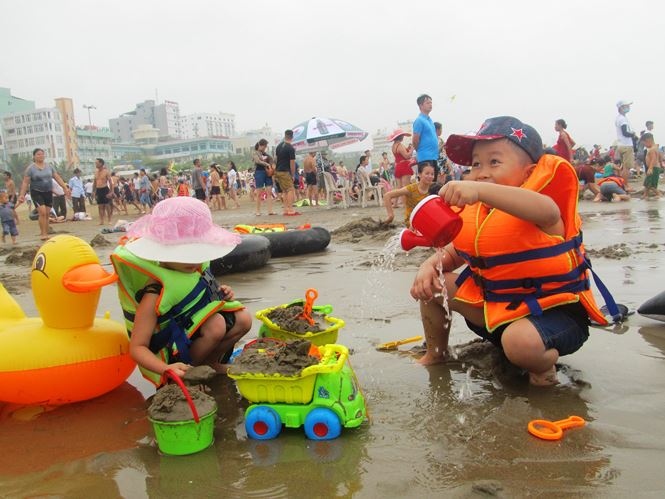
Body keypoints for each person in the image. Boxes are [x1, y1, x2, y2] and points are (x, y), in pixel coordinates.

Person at [411, 116, 614, 386]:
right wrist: (428, 266)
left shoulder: (543, 208)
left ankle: (542, 371)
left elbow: (545, 209)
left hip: (554, 317)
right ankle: (436, 353)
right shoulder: (478, 213)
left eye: (494, 162)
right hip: (497, 313)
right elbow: (452, 252)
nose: (482, 172)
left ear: (529, 173)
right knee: (431, 283)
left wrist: (479, 190)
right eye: (475, 164)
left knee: (519, 341)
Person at [110, 197, 252, 383]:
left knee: (243, 318)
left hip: (195, 332)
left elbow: (201, 297)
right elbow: (137, 347)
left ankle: (210, 364)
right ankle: (189, 373)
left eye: (198, 252)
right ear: (160, 250)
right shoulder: (154, 292)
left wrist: (222, 293)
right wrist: (166, 369)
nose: (193, 261)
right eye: (185, 253)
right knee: (216, 324)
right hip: (175, 353)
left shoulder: (195, 269)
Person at [17, 148, 70, 240]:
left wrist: (65, 188)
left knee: (47, 214)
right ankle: (43, 234)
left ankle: (46, 231)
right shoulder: (31, 168)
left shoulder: (49, 167)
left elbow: (57, 178)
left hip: (48, 192)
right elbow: (25, 182)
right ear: (34, 156)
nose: (41, 156)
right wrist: (22, 195)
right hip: (36, 192)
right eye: (38, 154)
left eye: (42, 154)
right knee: (42, 212)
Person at [412, 94, 439, 178]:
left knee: (433, 183)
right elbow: (415, 140)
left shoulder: (430, 120)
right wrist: (420, 151)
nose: (430, 105)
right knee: (426, 183)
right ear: (421, 105)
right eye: (427, 103)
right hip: (425, 157)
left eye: (431, 103)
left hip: (434, 156)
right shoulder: (419, 120)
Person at [274, 129, 300, 216]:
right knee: (290, 189)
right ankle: (290, 209)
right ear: (292, 137)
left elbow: (276, 160)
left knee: (284, 191)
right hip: (285, 171)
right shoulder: (290, 148)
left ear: (285, 136)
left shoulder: (279, 146)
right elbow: (292, 163)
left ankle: (285, 209)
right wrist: (293, 174)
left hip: (278, 171)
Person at [615, 100, 638, 184]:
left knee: (624, 167)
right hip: (626, 145)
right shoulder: (622, 119)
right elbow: (625, 132)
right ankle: (626, 185)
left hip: (621, 144)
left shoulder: (619, 118)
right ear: (621, 108)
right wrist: (633, 135)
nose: (628, 107)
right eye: (626, 106)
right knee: (626, 167)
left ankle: (623, 184)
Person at [251, 139, 275, 216]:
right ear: (260, 145)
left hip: (267, 173)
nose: (265, 148)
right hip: (259, 172)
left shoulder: (266, 154)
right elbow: (258, 161)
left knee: (269, 192)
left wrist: (271, 165)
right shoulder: (255, 153)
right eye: (264, 146)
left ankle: (270, 210)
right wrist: (267, 164)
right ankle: (258, 210)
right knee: (259, 193)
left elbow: (272, 160)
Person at [389, 129, 415, 196]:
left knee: (399, 187)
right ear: (401, 137)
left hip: (398, 166)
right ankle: (406, 202)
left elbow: (400, 155)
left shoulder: (394, 146)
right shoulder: (400, 145)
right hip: (404, 166)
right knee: (406, 187)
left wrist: (408, 149)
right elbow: (406, 156)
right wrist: (412, 149)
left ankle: (395, 203)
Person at [641, 133, 662, 200]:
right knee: (647, 183)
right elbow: (660, 157)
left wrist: (650, 168)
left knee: (651, 184)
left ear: (648, 140)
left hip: (653, 168)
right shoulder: (656, 148)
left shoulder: (652, 149)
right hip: (655, 167)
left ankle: (659, 194)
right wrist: (661, 164)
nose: (645, 146)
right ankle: (645, 195)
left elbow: (653, 159)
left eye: (644, 144)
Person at [93, 158, 113, 225]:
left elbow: (110, 182)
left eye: (97, 163)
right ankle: (101, 221)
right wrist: (94, 191)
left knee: (107, 205)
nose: (95, 164)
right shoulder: (95, 172)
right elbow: (95, 182)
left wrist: (111, 192)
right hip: (98, 190)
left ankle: (109, 220)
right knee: (100, 206)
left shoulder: (106, 172)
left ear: (101, 163)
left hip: (105, 189)